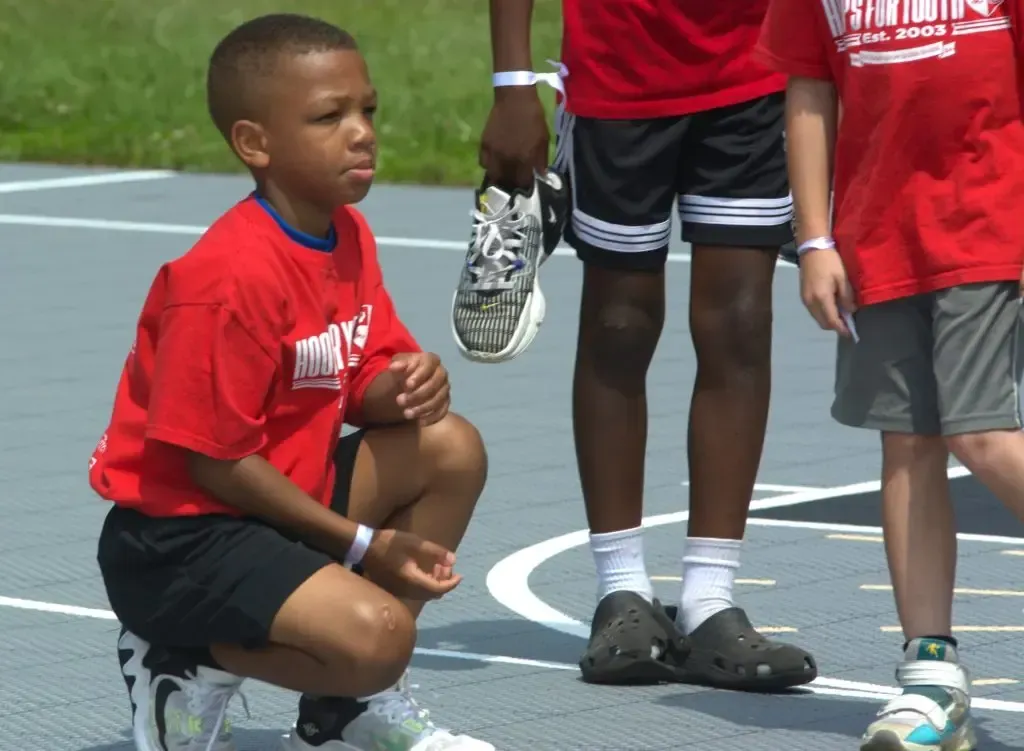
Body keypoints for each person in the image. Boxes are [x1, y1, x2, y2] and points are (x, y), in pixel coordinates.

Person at [88, 14, 496, 751]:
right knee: (379, 637)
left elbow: (357, 370)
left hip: (273, 501)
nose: (362, 131)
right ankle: (179, 656)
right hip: (181, 539)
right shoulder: (225, 278)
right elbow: (214, 461)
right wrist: (365, 543)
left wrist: (403, 385)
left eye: (367, 109)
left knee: (450, 446)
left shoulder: (347, 233)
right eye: (328, 116)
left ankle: (341, 711)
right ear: (255, 143)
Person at [456, 0, 817, 689]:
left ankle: (711, 599)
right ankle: (620, 590)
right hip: (617, 77)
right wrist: (512, 84)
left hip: (759, 73)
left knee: (739, 325)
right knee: (618, 326)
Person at [757, 1, 1024, 748]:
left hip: (988, 221)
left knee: (982, 437)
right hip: (877, 235)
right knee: (907, 445)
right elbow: (810, 89)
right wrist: (813, 238)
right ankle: (931, 675)